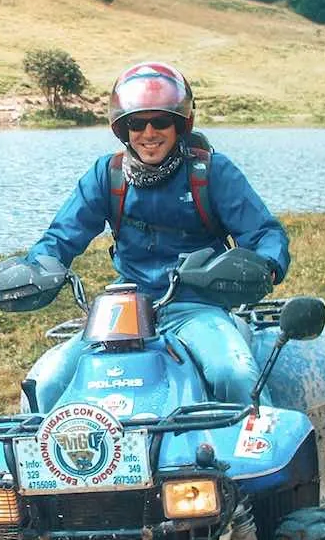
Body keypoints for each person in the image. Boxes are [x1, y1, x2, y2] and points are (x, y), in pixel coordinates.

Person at [24, 61, 290, 408]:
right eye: (137, 123)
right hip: (125, 310)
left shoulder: (211, 172)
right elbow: (61, 236)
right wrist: (37, 268)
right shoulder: (108, 175)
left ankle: (261, 454)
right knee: (48, 384)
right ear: (123, 129)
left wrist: (265, 264)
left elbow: (264, 232)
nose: (149, 133)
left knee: (234, 376)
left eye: (161, 121)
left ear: (181, 124)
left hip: (196, 304)